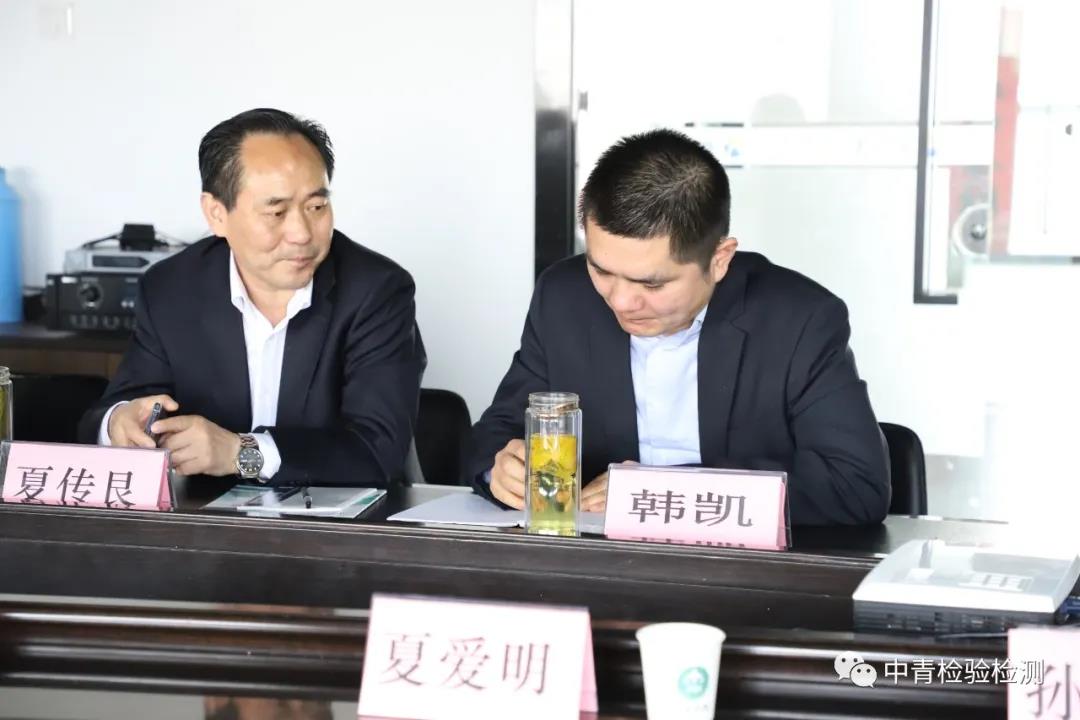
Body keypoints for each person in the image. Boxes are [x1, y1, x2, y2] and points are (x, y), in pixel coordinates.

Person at [469, 128, 890, 525]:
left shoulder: (799, 320)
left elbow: (855, 485)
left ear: (719, 260)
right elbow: (494, 434)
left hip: (736, 565)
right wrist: (501, 469)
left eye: (651, 284)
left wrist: (663, 492)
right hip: (596, 558)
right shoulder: (564, 297)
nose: (620, 300)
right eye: (601, 270)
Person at [77, 108, 426, 487]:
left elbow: (377, 450)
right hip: (205, 516)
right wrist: (119, 422)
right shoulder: (172, 289)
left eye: (317, 207)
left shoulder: (376, 290)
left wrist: (240, 452)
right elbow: (121, 405)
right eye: (276, 212)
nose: (301, 233)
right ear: (216, 214)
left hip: (339, 516)